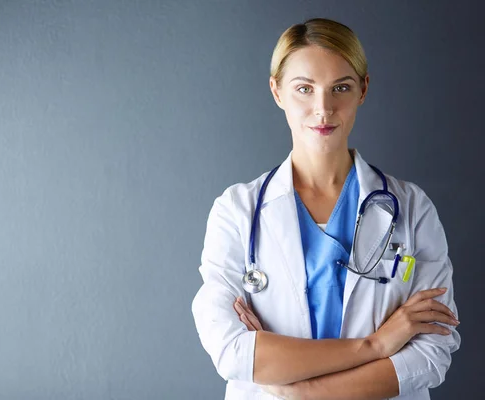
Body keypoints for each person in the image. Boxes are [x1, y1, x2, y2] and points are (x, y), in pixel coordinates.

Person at [191, 18, 460, 400]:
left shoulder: (412, 208)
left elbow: (432, 354)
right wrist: (377, 346)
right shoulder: (237, 212)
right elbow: (233, 352)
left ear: (363, 89)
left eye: (341, 88)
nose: (323, 108)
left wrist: (298, 392)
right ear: (277, 91)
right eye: (304, 89)